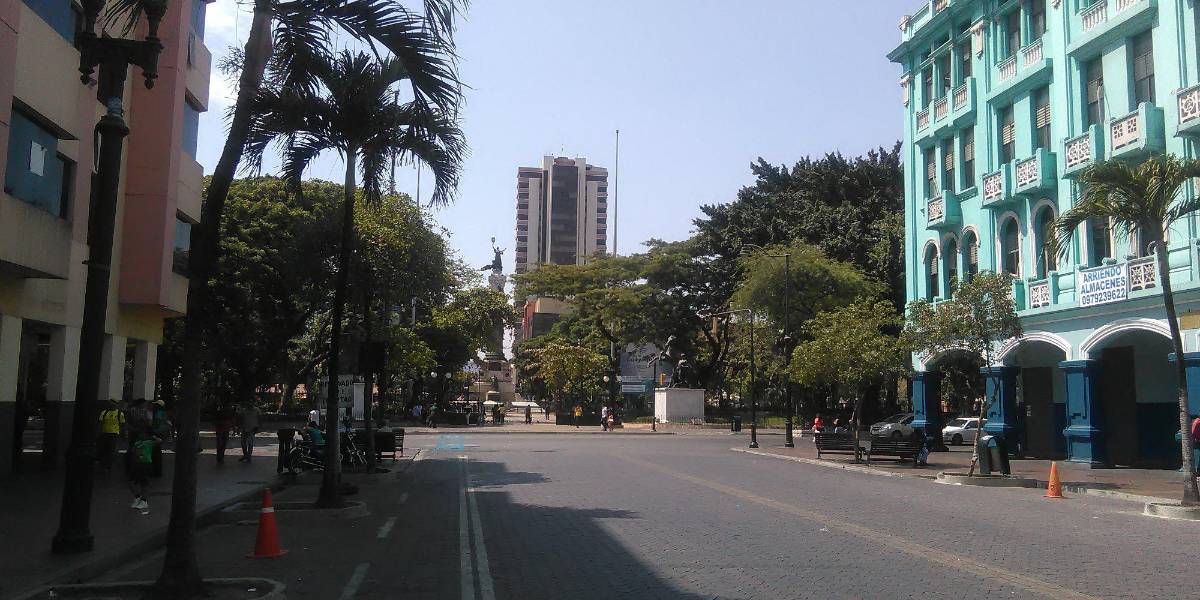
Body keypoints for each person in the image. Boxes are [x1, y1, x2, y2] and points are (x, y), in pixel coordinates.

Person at [129, 433, 155, 511]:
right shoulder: (137, 443)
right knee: (131, 482)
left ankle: (144, 501)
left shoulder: (149, 442)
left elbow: (159, 441)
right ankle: (138, 497)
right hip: (137, 464)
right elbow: (133, 452)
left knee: (144, 483)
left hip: (146, 464)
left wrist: (153, 437)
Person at [97, 400, 125, 471]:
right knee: (103, 450)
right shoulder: (104, 412)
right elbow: (100, 423)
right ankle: (103, 465)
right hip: (104, 433)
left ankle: (108, 466)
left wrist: (122, 433)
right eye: (111, 404)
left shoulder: (119, 413)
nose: (112, 405)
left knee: (111, 450)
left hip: (114, 434)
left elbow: (122, 424)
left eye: (114, 404)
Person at [150, 400, 171, 477]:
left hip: (157, 433)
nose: (154, 406)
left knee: (156, 452)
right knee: (157, 451)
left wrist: (152, 430)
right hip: (162, 433)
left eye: (156, 405)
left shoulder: (158, 413)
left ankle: (156, 471)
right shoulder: (164, 413)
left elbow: (157, 422)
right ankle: (157, 470)